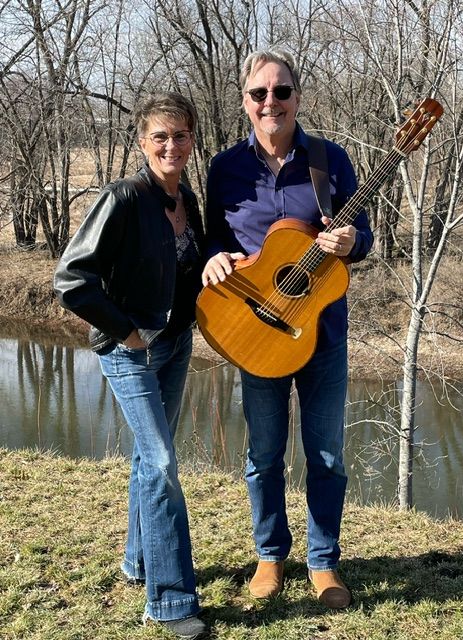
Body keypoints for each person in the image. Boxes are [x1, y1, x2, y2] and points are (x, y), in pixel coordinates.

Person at [201, 49, 373, 608]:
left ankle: (323, 564)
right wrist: (213, 260)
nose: (269, 102)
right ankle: (270, 557)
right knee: (264, 454)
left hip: (321, 332)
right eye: (259, 94)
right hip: (257, 331)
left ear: (298, 96)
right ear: (245, 101)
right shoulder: (225, 168)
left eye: (280, 91)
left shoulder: (331, 161)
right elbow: (210, 240)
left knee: (325, 455)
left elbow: (363, 238)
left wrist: (351, 243)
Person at [54, 92, 207, 639]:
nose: (171, 145)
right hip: (130, 350)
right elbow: (71, 278)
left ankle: (138, 562)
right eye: (160, 136)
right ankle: (168, 602)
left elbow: (193, 268)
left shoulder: (186, 196)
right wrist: (126, 330)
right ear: (142, 142)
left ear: (192, 139)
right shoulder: (123, 196)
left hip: (176, 343)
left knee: (150, 459)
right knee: (164, 462)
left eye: (181, 135)